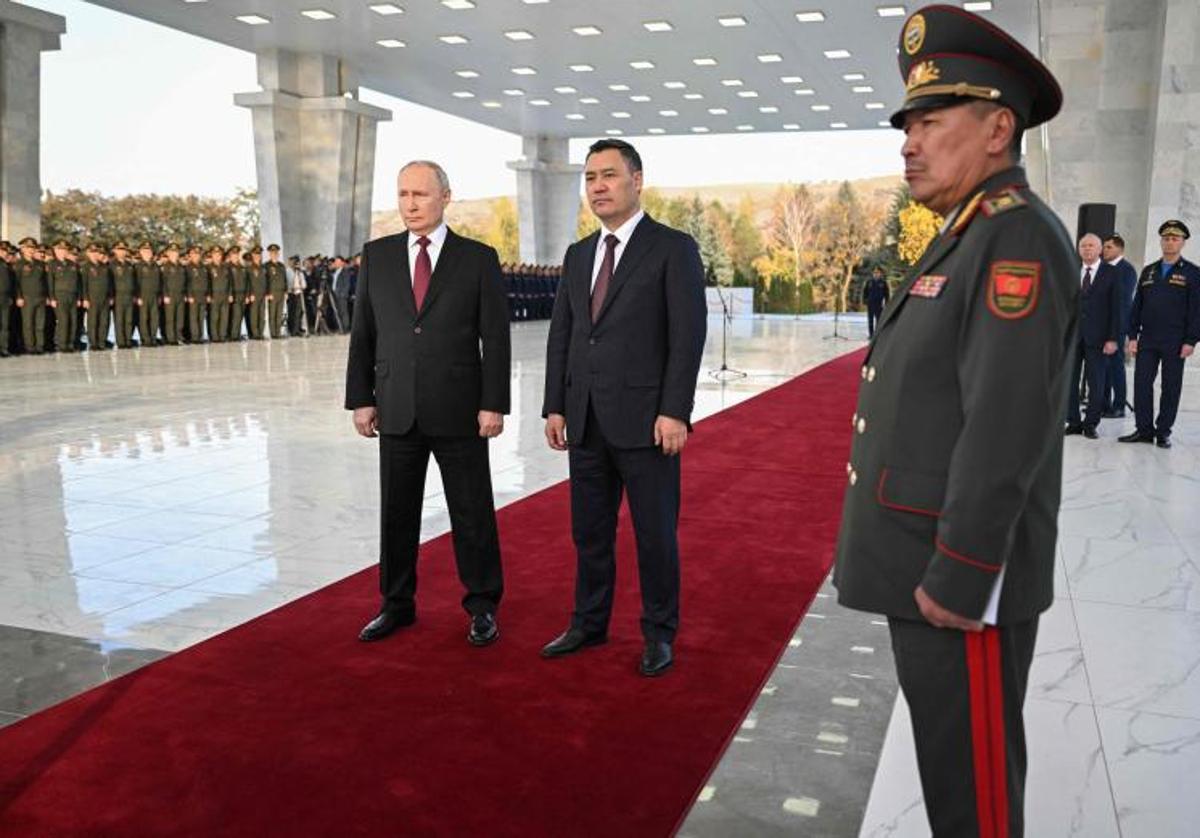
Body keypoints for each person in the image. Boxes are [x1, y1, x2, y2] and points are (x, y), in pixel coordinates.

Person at [832, 7, 1077, 837]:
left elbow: (1007, 423)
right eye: (908, 124)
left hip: (959, 580)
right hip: (926, 562)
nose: (909, 141)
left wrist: (963, 574)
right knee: (952, 777)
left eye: (932, 121)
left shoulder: (1014, 242)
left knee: (973, 798)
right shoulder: (968, 235)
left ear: (999, 128)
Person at [540, 139, 707, 678]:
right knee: (589, 532)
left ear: (637, 180)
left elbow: (687, 335)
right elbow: (563, 335)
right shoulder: (578, 255)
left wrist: (675, 410)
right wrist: (555, 406)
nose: (598, 187)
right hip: (585, 419)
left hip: (648, 424)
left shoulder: (671, 248)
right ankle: (588, 623)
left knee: (655, 534)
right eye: (590, 178)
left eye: (609, 175)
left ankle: (659, 633)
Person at [345, 160, 511, 647]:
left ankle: (482, 605)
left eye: (420, 194)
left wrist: (493, 403)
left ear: (445, 197)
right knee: (396, 513)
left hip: (460, 408)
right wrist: (361, 398)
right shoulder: (376, 256)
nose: (410, 204)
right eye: (402, 194)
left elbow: (495, 339)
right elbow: (364, 334)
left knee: (472, 511)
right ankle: (395, 605)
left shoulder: (477, 258)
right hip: (395, 405)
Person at [1119, 220, 1200, 449]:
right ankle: (1144, 430)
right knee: (1142, 384)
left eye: (1175, 239)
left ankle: (1163, 431)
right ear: (1161, 241)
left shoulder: (1193, 273)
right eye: (1166, 238)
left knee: (1171, 386)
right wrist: (1132, 336)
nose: (1169, 242)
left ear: (1183, 243)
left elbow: (1197, 311)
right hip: (1148, 338)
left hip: (1176, 340)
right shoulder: (1149, 271)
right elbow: (1137, 306)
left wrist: (1191, 340)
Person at [1064, 233, 1119, 438]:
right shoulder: (1070, 269)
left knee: (1096, 382)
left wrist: (1113, 338)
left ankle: (1090, 424)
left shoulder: (1111, 273)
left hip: (1100, 338)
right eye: (1083, 246)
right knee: (1069, 381)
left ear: (1099, 250)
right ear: (1079, 250)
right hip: (1073, 337)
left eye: (1091, 245)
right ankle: (1073, 421)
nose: (1087, 249)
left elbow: (1117, 308)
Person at [1100, 234, 1137, 418]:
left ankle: (1119, 405)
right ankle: (1103, 403)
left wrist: (1116, 334)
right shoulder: (1104, 268)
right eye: (1104, 247)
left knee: (1116, 367)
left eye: (1108, 247)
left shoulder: (1126, 270)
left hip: (1117, 326)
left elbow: (1123, 304)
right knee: (1103, 366)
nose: (1104, 250)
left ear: (1119, 249)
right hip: (1102, 326)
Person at [14, 237, 48, 354]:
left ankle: (40, 346)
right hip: (27, 298)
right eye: (28, 248)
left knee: (40, 324)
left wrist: (47, 296)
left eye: (33, 248)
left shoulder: (40, 264)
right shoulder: (19, 264)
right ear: (22, 249)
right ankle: (30, 347)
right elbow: (16, 282)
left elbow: (45, 281)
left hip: (40, 297)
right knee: (28, 324)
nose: (30, 250)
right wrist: (19, 296)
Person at [48, 240, 81, 353]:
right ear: (55, 251)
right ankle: (63, 344)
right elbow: (50, 282)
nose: (62, 252)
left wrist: (79, 298)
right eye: (60, 250)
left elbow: (78, 282)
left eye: (65, 250)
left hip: (72, 295)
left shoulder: (73, 265)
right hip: (60, 295)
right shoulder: (52, 264)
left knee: (73, 320)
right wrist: (52, 298)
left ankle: (70, 344)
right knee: (64, 320)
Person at [81, 243, 114, 351]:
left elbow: (109, 283)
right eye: (92, 252)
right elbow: (84, 284)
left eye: (96, 252)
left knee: (104, 320)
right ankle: (93, 342)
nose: (95, 255)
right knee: (93, 321)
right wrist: (85, 298)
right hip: (92, 297)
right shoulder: (86, 267)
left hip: (104, 297)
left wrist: (110, 296)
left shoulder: (104, 267)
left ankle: (102, 341)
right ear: (88, 254)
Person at [110, 242, 138, 349]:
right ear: (115, 251)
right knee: (119, 319)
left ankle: (128, 340)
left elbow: (135, 281)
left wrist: (135, 294)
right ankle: (121, 341)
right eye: (119, 249)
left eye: (123, 250)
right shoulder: (111, 265)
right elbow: (110, 282)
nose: (122, 252)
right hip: (118, 295)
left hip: (129, 295)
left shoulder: (130, 265)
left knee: (129, 319)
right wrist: (111, 295)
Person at [134, 241, 162, 347]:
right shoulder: (138, 266)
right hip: (143, 295)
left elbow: (160, 281)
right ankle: (145, 339)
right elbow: (135, 282)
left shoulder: (155, 266)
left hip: (154, 295)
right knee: (144, 318)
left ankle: (153, 338)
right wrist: (137, 296)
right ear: (140, 252)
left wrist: (159, 295)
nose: (147, 253)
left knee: (154, 318)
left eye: (149, 251)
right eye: (145, 251)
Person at [160, 243, 187, 345]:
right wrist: (165, 295)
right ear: (168, 253)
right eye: (172, 252)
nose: (174, 254)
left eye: (176, 252)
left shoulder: (181, 266)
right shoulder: (165, 266)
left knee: (180, 317)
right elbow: (163, 281)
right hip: (170, 294)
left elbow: (185, 281)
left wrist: (185, 293)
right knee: (170, 318)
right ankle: (171, 338)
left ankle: (179, 336)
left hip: (180, 294)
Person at [185, 245, 209, 344]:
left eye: (198, 254)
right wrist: (189, 295)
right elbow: (186, 282)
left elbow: (207, 281)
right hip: (193, 295)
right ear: (190, 255)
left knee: (201, 316)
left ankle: (200, 336)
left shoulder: (204, 267)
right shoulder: (187, 267)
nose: (196, 256)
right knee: (194, 317)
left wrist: (208, 294)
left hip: (203, 295)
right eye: (194, 254)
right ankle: (195, 337)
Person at [265, 243, 288, 338]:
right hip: (272, 292)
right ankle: (273, 333)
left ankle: (277, 333)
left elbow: (285, 280)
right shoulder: (266, 266)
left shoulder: (281, 266)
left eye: (276, 252)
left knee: (279, 314)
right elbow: (265, 281)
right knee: (272, 313)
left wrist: (286, 291)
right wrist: (267, 293)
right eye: (272, 252)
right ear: (269, 254)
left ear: (278, 253)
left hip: (281, 292)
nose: (274, 254)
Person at [863, 266, 891, 337]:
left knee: (878, 320)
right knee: (870, 320)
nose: (876, 274)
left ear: (880, 274)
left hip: (879, 304)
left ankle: (877, 334)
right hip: (870, 303)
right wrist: (865, 300)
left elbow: (886, 293)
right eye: (874, 272)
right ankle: (871, 334)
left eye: (877, 272)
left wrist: (886, 302)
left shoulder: (883, 283)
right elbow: (865, 292)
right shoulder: (869, 282)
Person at [246, 244, 267, 339]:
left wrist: (267, 292)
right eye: (255, 254)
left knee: (262, 314)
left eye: (259, 254)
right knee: (254, 315)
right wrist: (250, 294)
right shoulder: (249, 268)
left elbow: (267, 281)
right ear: (252, 255)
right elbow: (248, 282)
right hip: (254, 294)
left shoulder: (263, 267)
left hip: (263, 293)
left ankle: (261, 333)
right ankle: (255, 334)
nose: (257, 256)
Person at [227, 245, 247, 340]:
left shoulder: (242, 267)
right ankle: (233, 335)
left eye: (237, 254)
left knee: (240, 315)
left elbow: (247, 282)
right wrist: (230, 294)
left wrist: (247, 295)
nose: (235, 256)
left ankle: (237, 334)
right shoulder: (227, 267)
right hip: (234, 294)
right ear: (230, 255)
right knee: (235, 315)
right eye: (233, 254)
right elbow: (228, 282)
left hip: (242, 294)